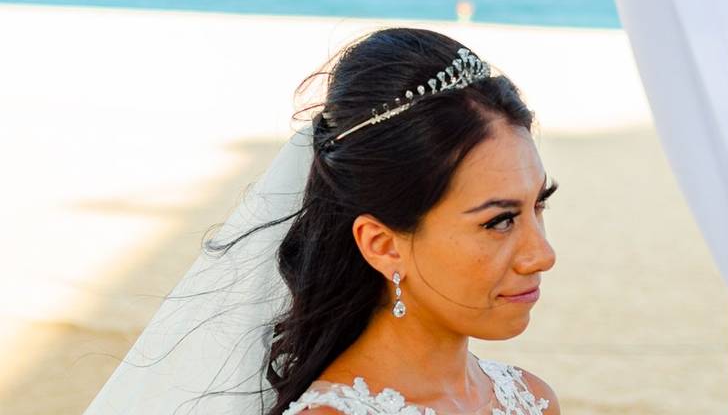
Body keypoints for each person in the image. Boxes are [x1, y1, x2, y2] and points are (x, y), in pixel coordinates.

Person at [83, 27, 561, 415]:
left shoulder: (532, 401)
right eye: (499, 221)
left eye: (538, 205)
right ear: (382, 244)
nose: (542, 254)